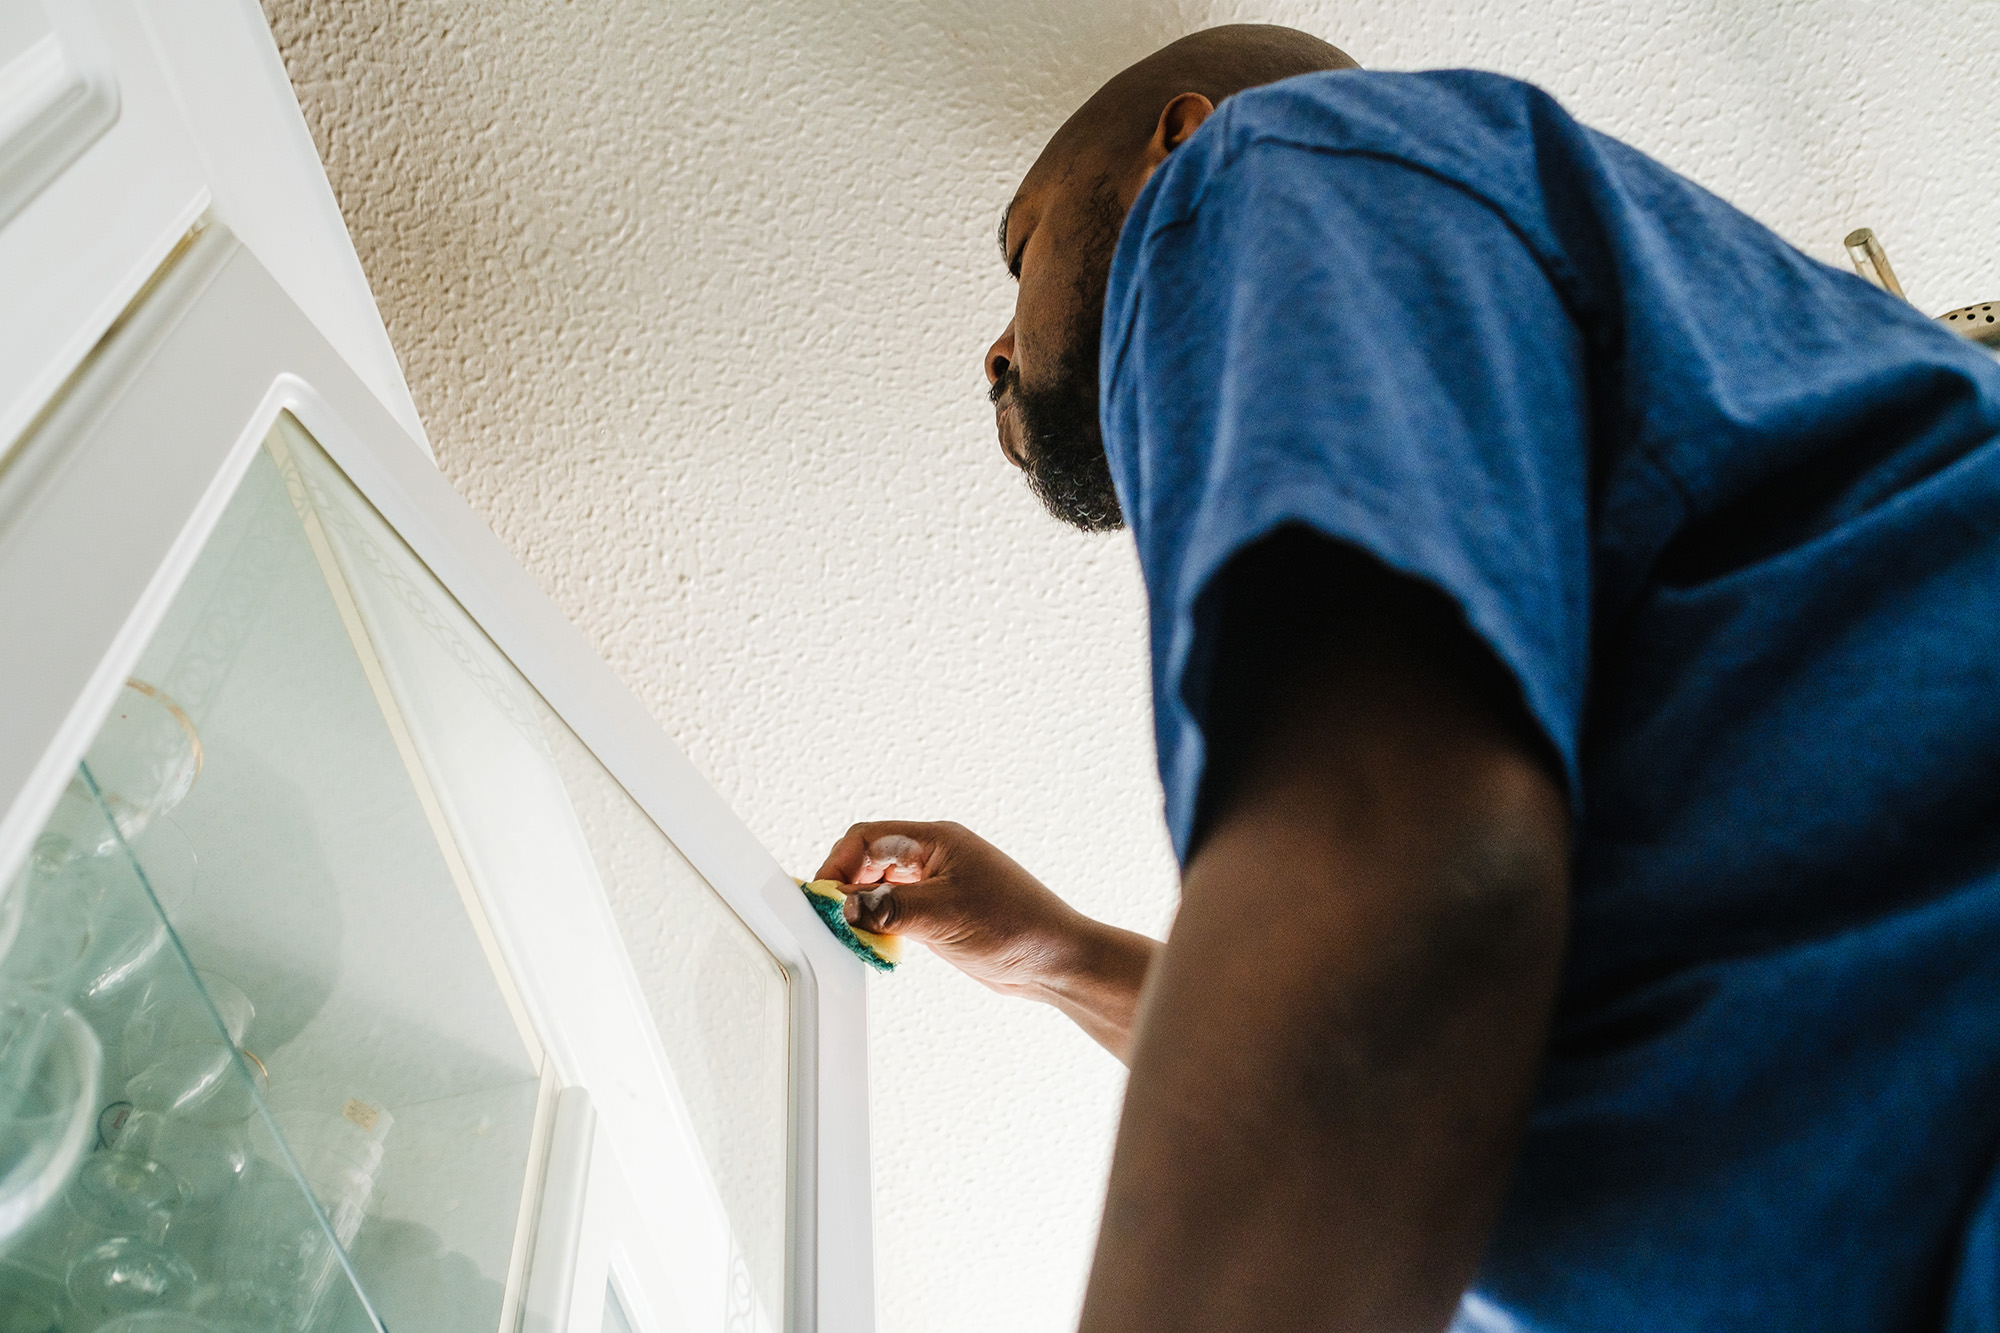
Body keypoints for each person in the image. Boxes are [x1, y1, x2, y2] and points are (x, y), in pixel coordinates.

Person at [814, 24, 2000, 1332]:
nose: (994, 350)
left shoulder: (1267, 166)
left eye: (1021, 244)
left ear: (1177, 134)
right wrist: (1056, 957)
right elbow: (1436, 1009)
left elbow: (1403, 874)